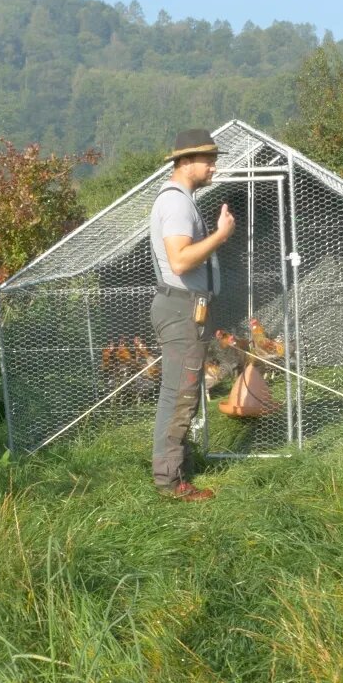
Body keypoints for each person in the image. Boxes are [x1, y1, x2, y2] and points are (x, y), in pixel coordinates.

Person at [149, 128, 236, 502]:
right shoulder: (177, 203)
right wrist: (220, 235)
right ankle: (171, 482)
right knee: (179, 396)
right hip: (182, 309)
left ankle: (175, 468)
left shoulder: (181, 200)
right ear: (185, 162)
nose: (214, 168)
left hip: (187, 309)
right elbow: (180, 259)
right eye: (208, 160)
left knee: (180, 394)